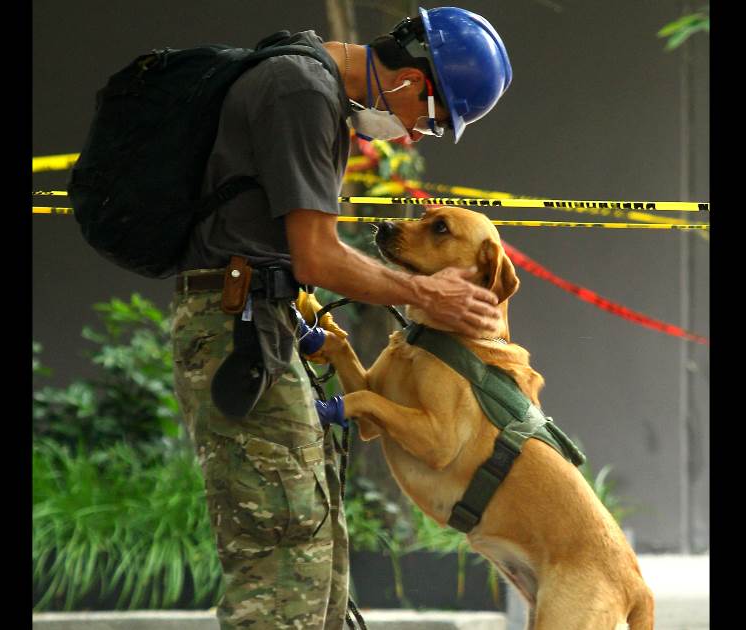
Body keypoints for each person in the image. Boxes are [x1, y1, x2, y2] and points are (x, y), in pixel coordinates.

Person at [170, 6, 513, 629]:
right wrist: (427, 295)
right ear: (413, 83)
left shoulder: (316, 91)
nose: (416, 133)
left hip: (260, 323)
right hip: (235, 328)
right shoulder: (302, 90)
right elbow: (318, 254)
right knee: (281, 560)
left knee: (315, 543)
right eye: (433, 122)